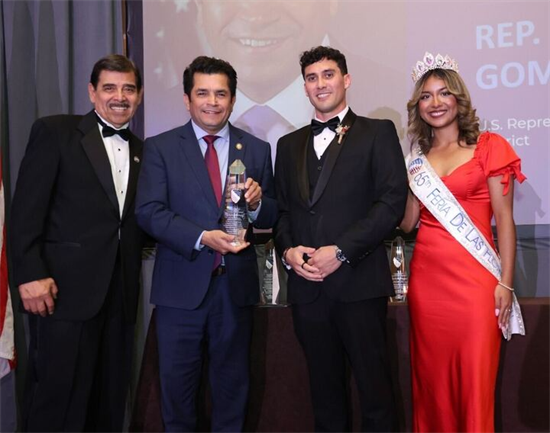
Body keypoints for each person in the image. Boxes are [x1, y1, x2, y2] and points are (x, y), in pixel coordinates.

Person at [135, 56, 277, 433]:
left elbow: (272, 214)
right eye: (202, 93)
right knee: (177, 396)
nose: (212, 102)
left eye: (221, 94)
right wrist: (201, 237)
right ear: (187, 99)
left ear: (232, 100)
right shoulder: (161, 148)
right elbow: (148, 212)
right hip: (179, 292)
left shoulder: (257, 149)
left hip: (235, 291)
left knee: (233, 394)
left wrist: (258, 203)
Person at [274, 46, 408, 433]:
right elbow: (283, 211)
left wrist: (342, 251)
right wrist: (288, 251)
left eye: (328, 75)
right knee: (325, 397)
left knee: (375, 394)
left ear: (346, 80)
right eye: (312, 78)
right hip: (308, 291)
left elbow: (391, 204)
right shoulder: (287, 145)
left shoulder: (378, 132)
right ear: (304, 87)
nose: (320, 84)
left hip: (359, 285)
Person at [10, 54, 144, 432]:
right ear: (91, 92)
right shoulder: (55, 132)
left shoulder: (143, 150)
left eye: (129, 89)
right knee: (57, 400)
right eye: (109, 88)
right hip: (61, 293)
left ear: (139, 95)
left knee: (108, 401)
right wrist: (29, 274)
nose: (120, 97)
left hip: (119, 297)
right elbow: (25, 212)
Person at [400, 52, 526, 433]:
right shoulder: (417, 160)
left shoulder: (489, 147)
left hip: (475, 285)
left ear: (459, 98)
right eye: (426, 96)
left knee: (474, 383)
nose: (435, 103)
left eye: (444, 93)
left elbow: (504, 220)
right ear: (418, 106)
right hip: (427, 284)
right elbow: (407, 223)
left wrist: (506, 283)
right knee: (432, 385)